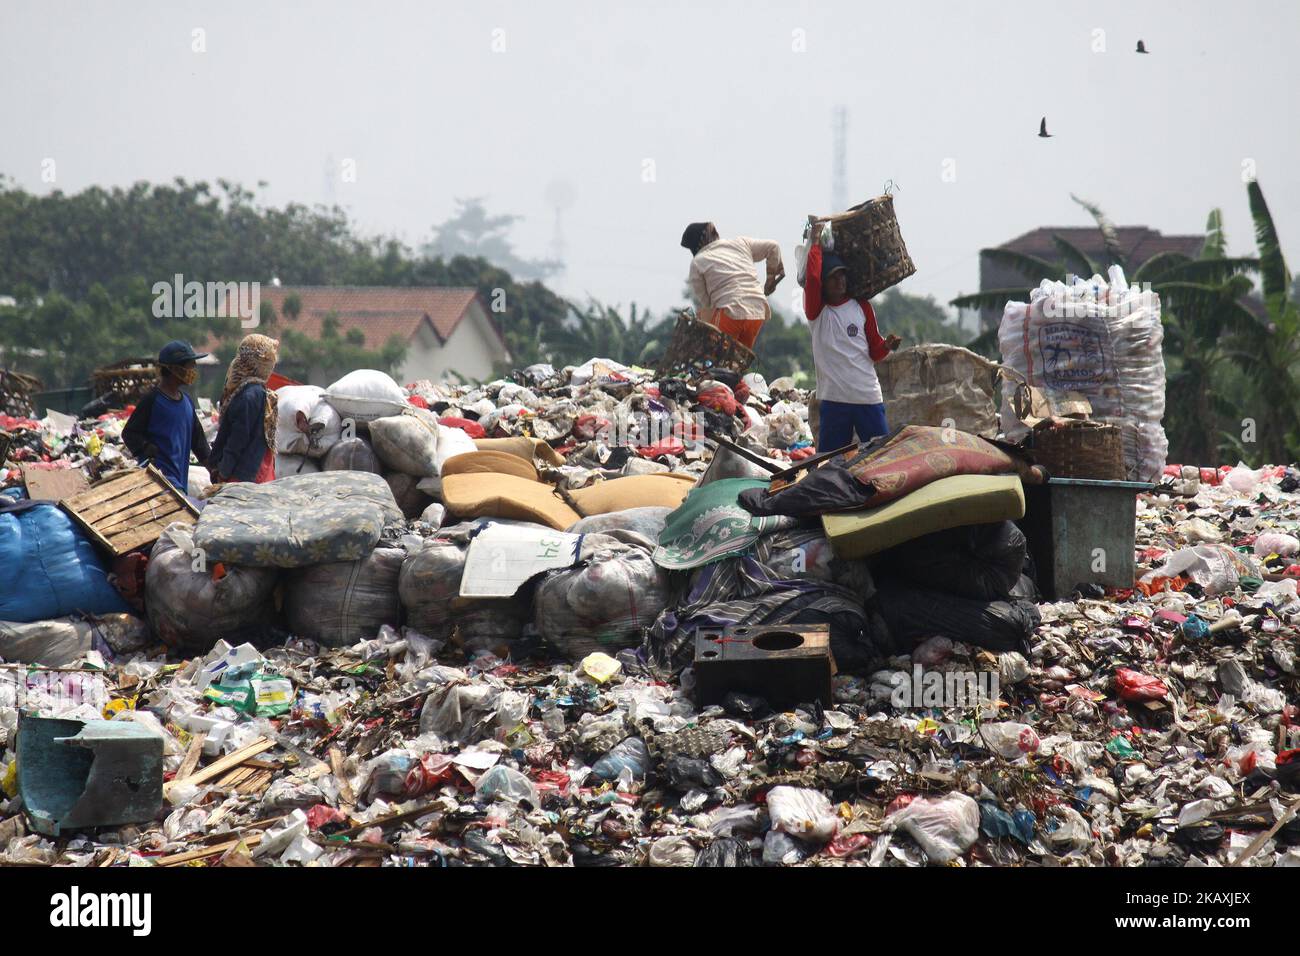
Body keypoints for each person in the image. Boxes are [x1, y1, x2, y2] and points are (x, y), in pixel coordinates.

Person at [804, 233, 901, 451]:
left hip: (867, 396)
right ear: (823, 283)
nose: (840, 282)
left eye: (842, 276)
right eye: (833, 278)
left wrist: (887, 346)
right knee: (829, 463)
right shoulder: (818, 313)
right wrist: (816, 244)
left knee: (879, 457)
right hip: (834, 399)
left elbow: (874, 352)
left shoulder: (862, 307)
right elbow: (811, 279)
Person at [121, 340, 211, 494]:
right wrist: (146, 448)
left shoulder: (187, 402)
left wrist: (214, 470)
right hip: (158, 483)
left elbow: (199, 444)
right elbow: (129, 433)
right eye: (190, 365)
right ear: (174, 369)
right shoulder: (153, 400)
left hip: (179, 484)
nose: (193, 370)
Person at [681, 221, 784, 349]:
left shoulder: (698, 262)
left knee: (717, 359)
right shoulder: (740, 243)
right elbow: (773, 246)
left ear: (696, 245)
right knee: (738, 361)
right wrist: (770, 280)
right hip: (757, 311)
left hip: (731, 311)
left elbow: (706, 303)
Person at [209, 334, 280, 484]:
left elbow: (237, 441)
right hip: (257, 474)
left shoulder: (248, 396)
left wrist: (223, 472)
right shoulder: (257, 392)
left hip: (241, 479)